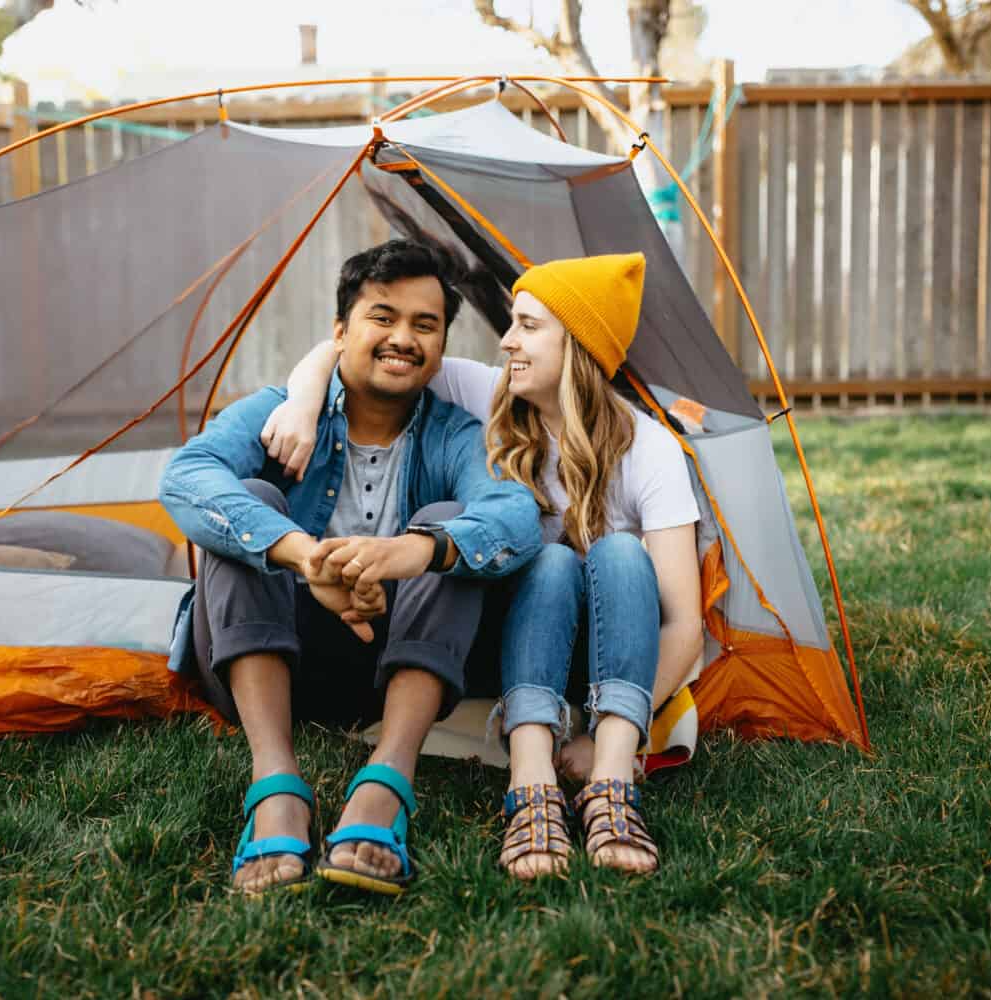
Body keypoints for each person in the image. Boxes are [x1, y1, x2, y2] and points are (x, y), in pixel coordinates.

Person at [265, 252, 704, 879]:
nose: (507, 341)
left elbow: (684, 623)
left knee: (619, 552)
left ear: (576, 343)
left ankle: (611, 780)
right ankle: (531, 787)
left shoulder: (650, 450)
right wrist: (304, 401)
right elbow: (354, 349)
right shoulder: (488, 393)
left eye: (528, 326)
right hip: (514, 647)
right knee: (550, 559)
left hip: (609, 664)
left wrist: (606, 738)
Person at [160, 239, 541, 896]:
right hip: (272, 656)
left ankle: (387, 780)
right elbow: (184, 478)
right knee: (247, 504)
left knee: (452, 521)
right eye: (383, 318)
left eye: (425, 325)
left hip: (390, 666)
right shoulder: (282, 412)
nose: (403, 338)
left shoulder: (454, 433)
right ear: (340, 332)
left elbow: (515, 516)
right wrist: (304, 557)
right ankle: (275, 782)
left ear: (442, 345)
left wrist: (415, 550)